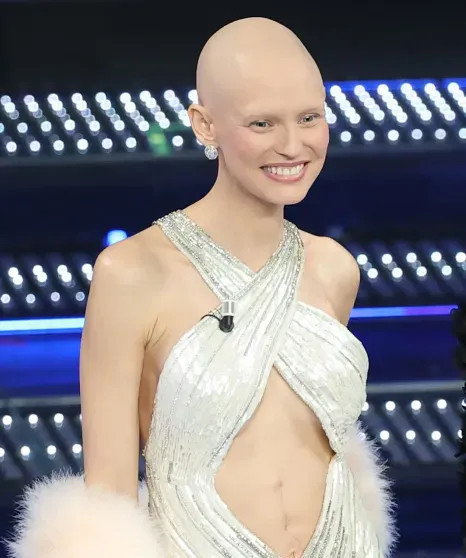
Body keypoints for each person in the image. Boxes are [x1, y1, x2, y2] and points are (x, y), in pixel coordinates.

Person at [3, 17, 397, 558]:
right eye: (262, 123)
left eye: (309, 117)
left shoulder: (334, 269)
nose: (292, 145)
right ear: (204, 125)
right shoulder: (131, 274)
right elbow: (108, 504)